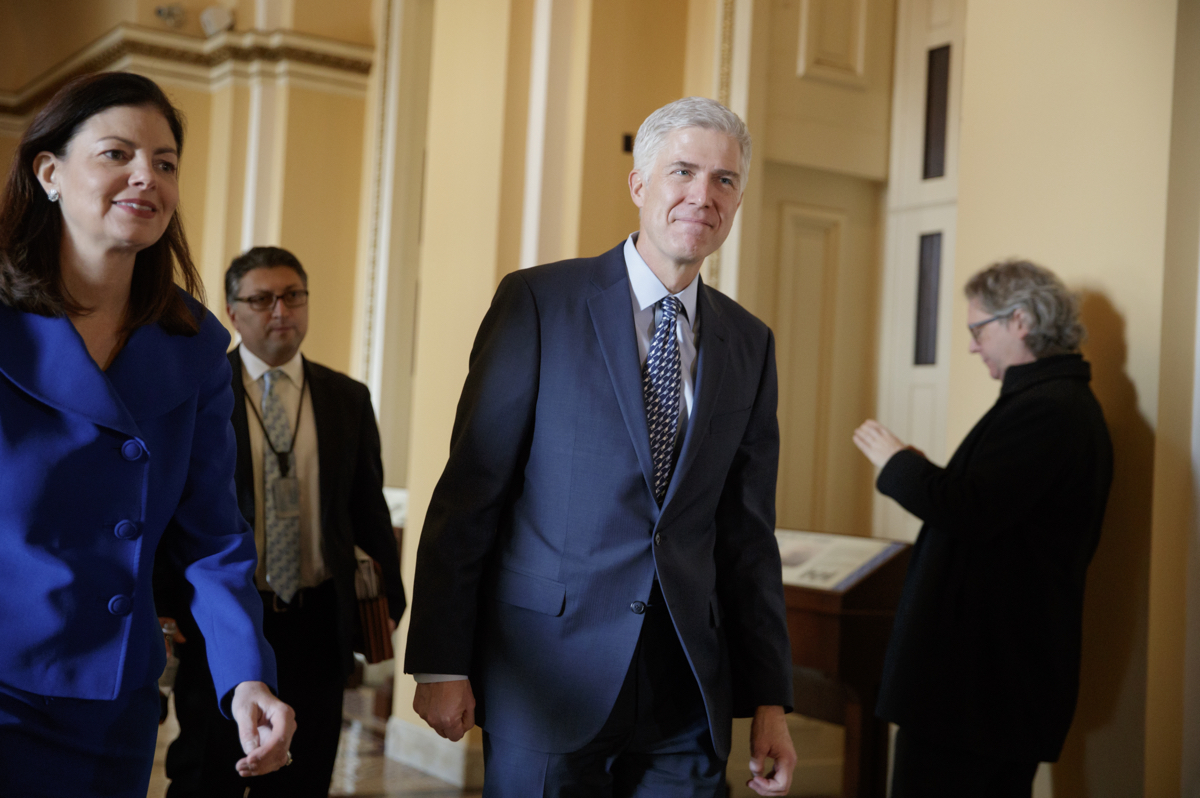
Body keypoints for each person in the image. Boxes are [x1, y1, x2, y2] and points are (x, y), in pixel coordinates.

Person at [405, 96, 796, 797]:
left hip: (687, 689)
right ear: (640, 184)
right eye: (683, 172)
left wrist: (770, 698)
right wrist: (440, 661)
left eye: (725, 181)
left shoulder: (750, 343)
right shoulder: (538, 303)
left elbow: (746, 533)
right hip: (547, 675)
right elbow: (471, 492)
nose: (703, 196)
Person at [0, 72, 295, 797]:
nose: (146, 177)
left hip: (114, 703)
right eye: (116, 154)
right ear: (50, 173)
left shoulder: (192, 345)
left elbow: (213, 538)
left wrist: (246, 677)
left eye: (164, 163)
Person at [852, 259, 1114, 798]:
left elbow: (969, 509)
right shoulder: (1047, 401)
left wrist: (897, 462)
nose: (973, 346)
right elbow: (996, 510)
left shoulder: (1049, 409)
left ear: (1020, 321)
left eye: (978, 330)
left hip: (978, 690)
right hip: (989, 687)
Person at [156, 246, 406, 797]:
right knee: (205, 773)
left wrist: (388, 599)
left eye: (293, 296)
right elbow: (173, 512)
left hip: (318, 621)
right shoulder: (201, 389)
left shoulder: (347, 398)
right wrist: (166, 609)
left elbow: (367, 508)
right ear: (233, 309)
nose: (281, 311)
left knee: (304, 775)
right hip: (225, 620)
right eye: (262, 299)